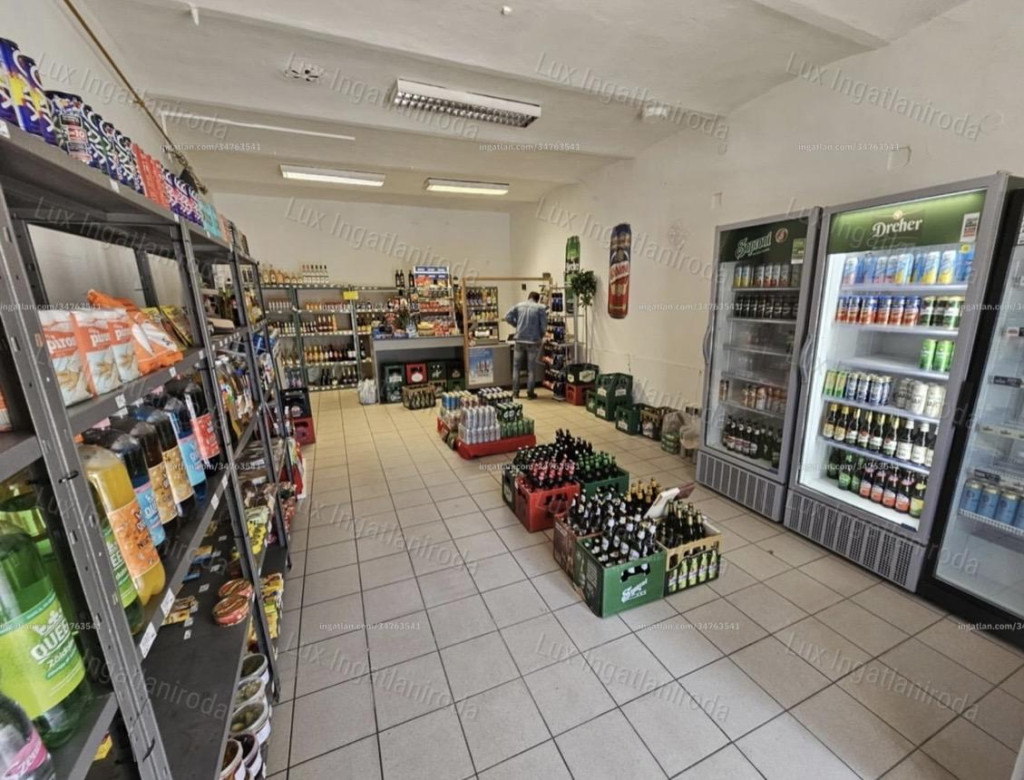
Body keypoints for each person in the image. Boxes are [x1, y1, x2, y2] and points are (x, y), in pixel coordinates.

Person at [505, 291, 548, 399]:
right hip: (533, 341)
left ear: (528, 297)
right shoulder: (540, 308)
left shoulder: (519, 305)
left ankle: (515, 393)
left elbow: (507, 317)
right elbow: (544, 326)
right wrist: (541, 336)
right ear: (537, 299)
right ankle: (530, 393)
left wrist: (516, 325)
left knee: (516, 368)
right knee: (531, 368)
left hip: (519, 340)